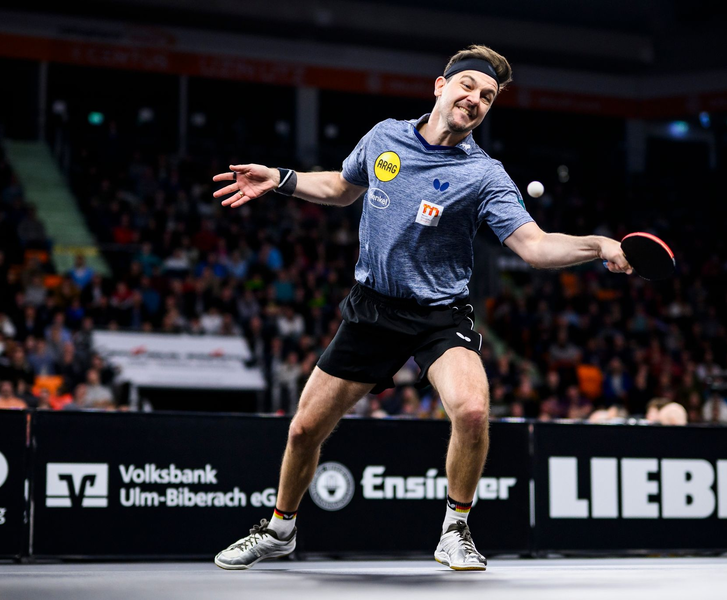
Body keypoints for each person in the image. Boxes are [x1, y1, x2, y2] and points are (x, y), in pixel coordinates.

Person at [211, 45, 631, 572]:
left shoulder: (484, 175)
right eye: (468, 87)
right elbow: (343, 189)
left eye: (487, 96)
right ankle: (279, 530)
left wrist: (598, 245)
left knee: (473, 410)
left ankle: (456, 528)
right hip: (372, 310)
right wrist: (283, 178)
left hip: (439, 314)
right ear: (440, 86)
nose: (475, 99)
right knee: (303, 430)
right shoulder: (384, 136)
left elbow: (535, 247)